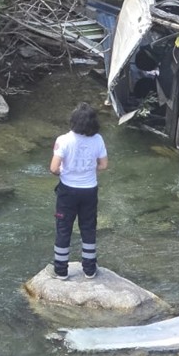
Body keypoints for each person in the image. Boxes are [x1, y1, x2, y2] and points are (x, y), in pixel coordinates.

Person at [49, 102, 108, 279]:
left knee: (64, 228)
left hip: (67, 191)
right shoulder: (98, 139)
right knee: (88, 227)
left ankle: (60, 270)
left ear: (73, 121)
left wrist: (65, 172)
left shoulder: (63, 140)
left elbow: (54, 168)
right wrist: (88, 169)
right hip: (89, 190)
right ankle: (89, 269)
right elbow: (103, 165)